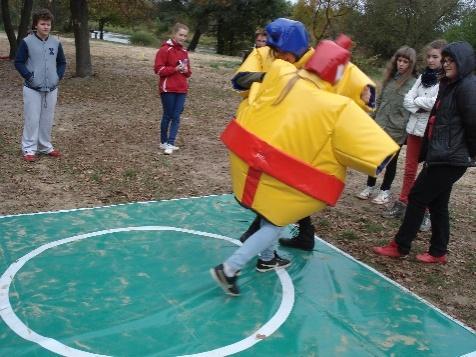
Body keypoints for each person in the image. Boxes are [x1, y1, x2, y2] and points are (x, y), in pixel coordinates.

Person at [211, 33, 399, 296]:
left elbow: (266, 73)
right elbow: (378, 154)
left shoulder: (280, 73)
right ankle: (230, 268)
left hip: (249, 161)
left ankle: (267, 258)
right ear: (339, 74)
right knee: (277, 221)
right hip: (284, 176)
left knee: (271, 214)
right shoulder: (337, 108)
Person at [233, 18, 377, 251]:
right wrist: (273, 78)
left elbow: (351, 78)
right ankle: (300, 234)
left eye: (283, 52)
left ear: (296, 48)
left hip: (305, 136)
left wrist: (365, 93)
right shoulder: (265, 55)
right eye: (275, 51)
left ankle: (260, 234)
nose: (278, 56)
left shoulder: (320, 59)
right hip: (271, 127)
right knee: (279, 182)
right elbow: (240, 79)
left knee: (288, 184)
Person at [373, 41, 476, 264]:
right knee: (438, 203)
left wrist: (471, 155)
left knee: (417, 196)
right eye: (445, 61)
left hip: (451, 158)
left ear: (463, 62)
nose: (446, 65)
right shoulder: (450, 84)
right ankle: (438, 252)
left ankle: (400, 246)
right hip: (441, 155)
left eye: (451, 61)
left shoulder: (467, 87)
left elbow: (472, 123)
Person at [383, 40, 447, 233]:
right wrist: (420, 104)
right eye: (428, 56)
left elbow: (435, 102)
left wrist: (417, 104)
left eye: (435, 56)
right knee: (409, 170)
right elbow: (407, 100)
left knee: (428, 175)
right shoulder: (422, 78)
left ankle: (425, 212)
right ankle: (403, 203)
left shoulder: (445, 80)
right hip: (414, 130)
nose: (431, 60)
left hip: (431, 133)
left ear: (443, 58)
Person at [356, 46, 417, 204]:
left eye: (405, 61)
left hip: (397, 129)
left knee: (390, 161)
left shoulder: (413, 84)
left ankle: (385, 191)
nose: (401, 64)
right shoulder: (390, 79)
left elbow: (412, 109)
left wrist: (403, 127)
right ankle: (369, 186)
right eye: (399, 60)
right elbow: (379, 100)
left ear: (411, 64)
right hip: (380, 125)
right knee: (375, 157)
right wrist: (373, 119)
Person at [14, 8, 66, 162]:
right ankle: (29, 149)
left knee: (47, 119)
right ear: (36, 25)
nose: (46, 27)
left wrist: (58, 76)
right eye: (43, 24)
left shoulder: (55, 43)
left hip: (51, 88)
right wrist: (29, 77)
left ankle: (45, 146)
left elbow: (62, 62)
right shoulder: (27, 42)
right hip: (32, 88)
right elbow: (19, 62)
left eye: (48, 24)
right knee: (32, 119)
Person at [154, 23, 191, 155]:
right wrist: (175, 69)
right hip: (168, 88)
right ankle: (163, 142)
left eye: (185, 36)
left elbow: (188, 73)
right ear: (174, 34)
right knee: (168, 115)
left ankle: (170, 143)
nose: (182, 38)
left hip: (182, 89)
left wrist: (185, 70)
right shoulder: (165, 49)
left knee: (176, 116)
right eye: (180, 35)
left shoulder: (184, 51)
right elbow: (158, 69)